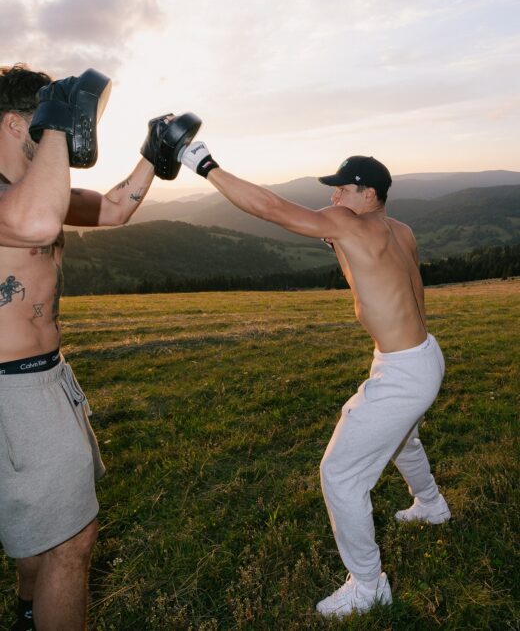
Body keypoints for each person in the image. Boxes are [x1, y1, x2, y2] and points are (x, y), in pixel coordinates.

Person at [180, 142, 451, 618]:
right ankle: (430, 504)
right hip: (422, 354)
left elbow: (269, 207)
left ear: (368, 195)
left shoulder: (349, 224)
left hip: (405, 369)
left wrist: (202, 163)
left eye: (342, 190)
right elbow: (409, 287)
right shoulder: (399, 229)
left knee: (339, 475)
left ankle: (368, 586)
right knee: (403, 438)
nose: (333, 199)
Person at [0, 63, 183, 631]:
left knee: (45, 529)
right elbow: (35, 224)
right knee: (71, 540)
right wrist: (60, 118)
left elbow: (114, 207)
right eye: (42, 122)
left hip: (44, 378)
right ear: (15, 124)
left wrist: (153, 154)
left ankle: (29, 613)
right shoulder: (21, 203)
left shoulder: (38, 194)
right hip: (13, 390)